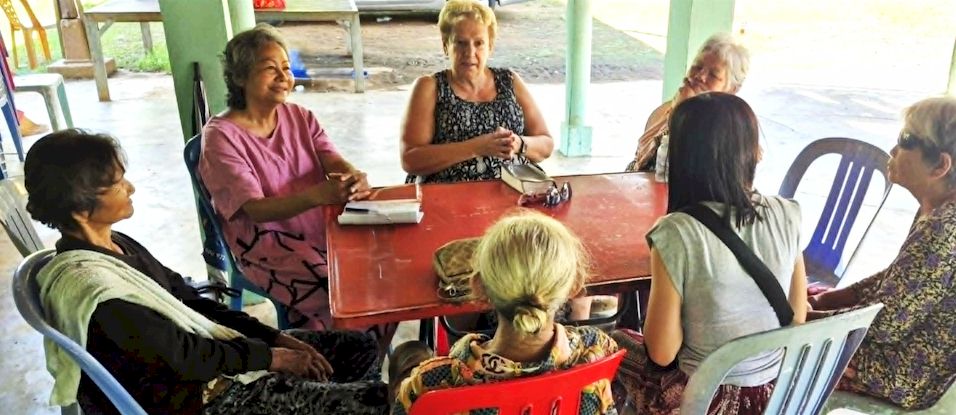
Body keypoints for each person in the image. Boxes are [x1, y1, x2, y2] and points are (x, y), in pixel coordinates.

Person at [24, 129, 388, 414]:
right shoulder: (96, 291)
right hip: (198, 398)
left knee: (358, 346)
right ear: (79, 209)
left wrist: (274, 338)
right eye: (117, 185)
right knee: (380, 402)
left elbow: (189, 300)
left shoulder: (118, 245)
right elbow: (186, 357)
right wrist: (271, 357)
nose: (130, 188)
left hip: (209, 360)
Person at [613, 93, 807, 414]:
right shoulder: (789, 214)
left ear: (683, 158)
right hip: (776, 397)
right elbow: (796, 316)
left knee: (614, 342)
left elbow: (662, 352)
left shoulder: (676, 232)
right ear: (753, 153)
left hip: (705, 402)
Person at [200, 24, 373, 330]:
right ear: (240, 77)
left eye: (285, 67)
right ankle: (340, 360)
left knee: (380, 274)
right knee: (341, 292)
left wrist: (352, 175)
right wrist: (318, 195)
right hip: (265, 245)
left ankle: (361, 354)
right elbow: (254, 209)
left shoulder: (300, 117)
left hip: (320, 228)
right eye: (270, 69)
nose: (283, 76)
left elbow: (330, 158)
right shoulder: (221, 137)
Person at [390, 211, 619, 415]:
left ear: (478, 287)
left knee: (408, 353)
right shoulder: (597, 350)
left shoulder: (429, 384)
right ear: (574, 286)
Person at [808, 96, 956, 410]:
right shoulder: (938, 210)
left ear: (940, 165)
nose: (892, 150)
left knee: (772, 344)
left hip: (898, 372)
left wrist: (808, 319)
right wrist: (827, 300)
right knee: (801, 300)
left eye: (906, 141)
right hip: (892, 350)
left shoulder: (944, 229)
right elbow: (896, 279)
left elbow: (887, 324)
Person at [400, 0, 553, 184]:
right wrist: (477, 147)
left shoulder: (509, 81)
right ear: (445, 45)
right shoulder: (430, 87)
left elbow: (546, 144)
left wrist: (519, 143)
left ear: (490, 46)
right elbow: (410, 158)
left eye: (479, 43)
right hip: (449, 196)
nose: (470, 52)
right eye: (461, 43)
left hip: (512, 191)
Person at [625, 33, 750, 172]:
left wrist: (680, 115)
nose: (700, 76)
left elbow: (670, 176)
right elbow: (639, 169)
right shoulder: (663, 112)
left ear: (732, 89)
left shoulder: (725, 136)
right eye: (697, 66)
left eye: (713, 75)